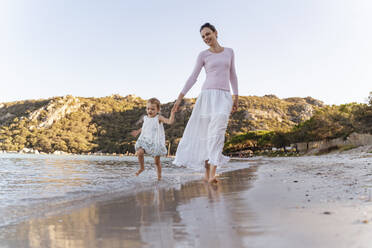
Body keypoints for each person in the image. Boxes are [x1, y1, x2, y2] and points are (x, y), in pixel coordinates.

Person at [172, 22, 239, 183]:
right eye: (203, 36)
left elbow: (233, 75)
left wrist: (236, 97)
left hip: (224, 96)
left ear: (216, 32)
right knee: (205, 133)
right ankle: (207, 174)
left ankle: (212, 174)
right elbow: (193, 77)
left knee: (218, 131)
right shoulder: (203, 55)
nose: (206, 38)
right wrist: (179, 98)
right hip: (207, 96)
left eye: (208, 34)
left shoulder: (229, 52)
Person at [131, 98, 176, 180]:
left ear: (158, 109)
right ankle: (142, 168)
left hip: (155, 142)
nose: (150, 111)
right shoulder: (145, 118)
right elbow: (145, 128)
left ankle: (159, 177)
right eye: (148, 109)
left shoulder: (158, 118)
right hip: (145, 140)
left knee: (156, 162)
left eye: (152, 109)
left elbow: (169, 121)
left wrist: (172, 113)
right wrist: (137, 131)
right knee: (139, 152)